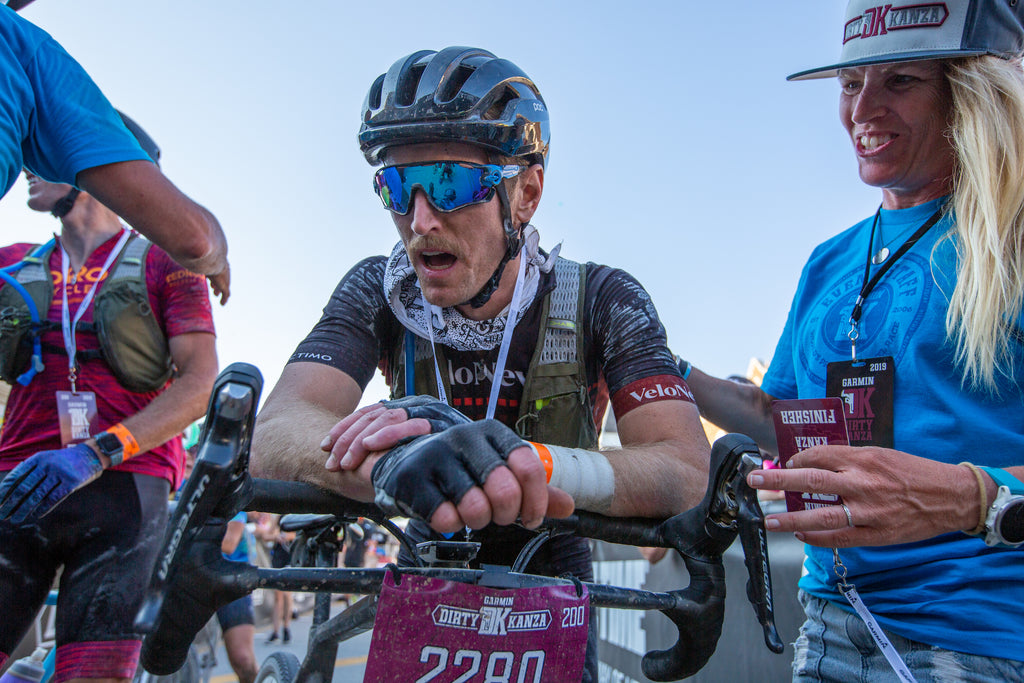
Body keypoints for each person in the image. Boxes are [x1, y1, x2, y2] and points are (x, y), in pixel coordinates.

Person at [250, 46, 709, 681]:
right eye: (395, 186)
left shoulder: (604, 296)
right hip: (423, 565)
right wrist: (391, 464)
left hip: (552, 576)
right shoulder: (376, 289)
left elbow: (683, 469)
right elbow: (276, 429)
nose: (419, 221)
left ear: (526, 194)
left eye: (449, 184)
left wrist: (525, 466)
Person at [681, 1, 1024, 680]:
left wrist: (968, 497)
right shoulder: (829, 260)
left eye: (899, 80)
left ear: (972, 93)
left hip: (980, 638)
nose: (862, 108)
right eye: (849, 83)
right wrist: (656, 362)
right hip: (828, 622)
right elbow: (781, 422)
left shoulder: (1011, 239)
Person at [0, 116, 218, 683]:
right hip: (17, 482)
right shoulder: (11, 263)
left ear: (101, 172)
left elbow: (200, 385)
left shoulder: (165, 263)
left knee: (93, 675)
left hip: (125, 486)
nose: (28, 164)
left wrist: (96, 453)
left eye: (45, 152)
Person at [0, 4, 230, 303]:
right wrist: (218, 258)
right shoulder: (25, 48)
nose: (26, 169)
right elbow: (198, 240)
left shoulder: (161, 268)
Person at [217, 512, 258, 683]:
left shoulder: (232, 498)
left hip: (232, 579)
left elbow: (229, 544)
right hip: (187, 579)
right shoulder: (183, 490)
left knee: (243, 660)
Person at [254, 512, 294, 645]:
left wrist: (286, 537)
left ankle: (286, 627)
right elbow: (267, 536)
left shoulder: (294, 516)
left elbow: (296, 535)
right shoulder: (278, 517)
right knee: (278, 596)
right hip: (278, 557)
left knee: (287, 594)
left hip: (288, 557)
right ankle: (276, 630)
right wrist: (276, 536)